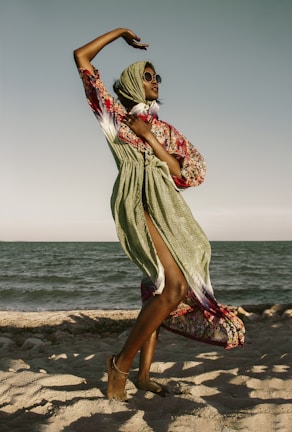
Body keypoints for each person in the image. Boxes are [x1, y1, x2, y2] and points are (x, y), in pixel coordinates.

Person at [73, 28, 245, 401]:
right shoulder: (113, 117)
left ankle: (143, 375)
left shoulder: (164, 130)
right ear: (135, 81)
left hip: (169, 205)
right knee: (174, 287)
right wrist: (120, 32)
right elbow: (81, 58)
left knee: (159, 289)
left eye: (157, 77)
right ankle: (119, 365)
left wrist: (150, 137)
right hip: (139, 198)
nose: (156, 82)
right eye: (148, 76)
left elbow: (188, 173)